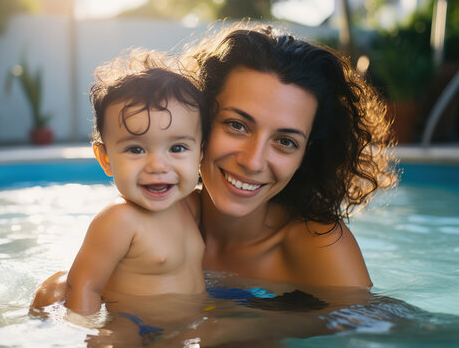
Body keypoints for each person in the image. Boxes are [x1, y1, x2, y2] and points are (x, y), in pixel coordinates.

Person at [31, 22, 397, 309]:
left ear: (307, 155)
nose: (253, 161)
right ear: (200, 124)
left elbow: (363, 328)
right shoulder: (164, 215)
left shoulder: (318, 246)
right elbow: (83, 287)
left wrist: (227, 328)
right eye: (237, 125)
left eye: (285, 142)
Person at [39, 51, 209, 315]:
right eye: (136, 150)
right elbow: (83, 286)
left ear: (200, 153)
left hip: (183, 326)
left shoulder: (191, 206)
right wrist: (86, 332)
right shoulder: (119, 220)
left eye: (177, 147)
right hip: (130, 327)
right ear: (105, 158)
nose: (157, 166)